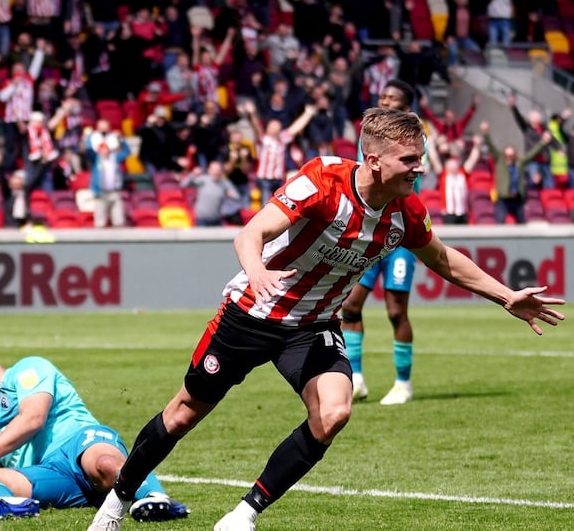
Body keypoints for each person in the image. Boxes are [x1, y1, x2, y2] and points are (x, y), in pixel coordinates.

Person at [86, 108, 565, 531]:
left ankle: (243, 515)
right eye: (409, 160)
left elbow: (443, 259)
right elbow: (252, 233)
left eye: (420, 158)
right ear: (374, 160)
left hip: (313, 326)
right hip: (252, 313)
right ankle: (115, 502)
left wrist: (505, 296)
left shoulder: (404, 211)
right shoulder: (321, 181)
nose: (419, 169)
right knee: (185, 412)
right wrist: (256, 271)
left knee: (334, 412)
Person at [0, 343, 189, 523]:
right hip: (48, 474)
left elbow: (33, 418)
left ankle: (153, 498)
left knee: (106, 465)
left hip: (79, 442)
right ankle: (11, 508)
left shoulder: (27, 369)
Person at [340, 78, 422, 405]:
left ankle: (404, 383)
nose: (385, 101)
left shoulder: (413, 140)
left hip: (399, 235)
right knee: (349, 305)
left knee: (394, 311)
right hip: (368, 234)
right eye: (383, 96)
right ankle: (356, 379)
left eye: (393, 98)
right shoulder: (373, 139)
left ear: (406, 107)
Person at [84, 118, 130, 228]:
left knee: (118, 220)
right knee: (100, 221)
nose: (104, 151)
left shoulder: (115, 158)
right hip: (101, 192)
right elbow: (88, 150)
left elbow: (127, 151)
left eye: (106, 148)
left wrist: (121, 139)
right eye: (102, 149)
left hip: (115, 192)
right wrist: (90, 136)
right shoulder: (96, 159)